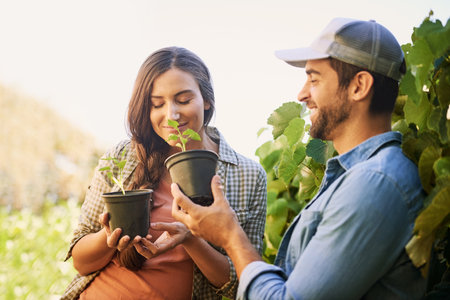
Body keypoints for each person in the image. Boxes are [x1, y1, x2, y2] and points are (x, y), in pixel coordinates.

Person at [172, 18, 426, 299]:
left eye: (314, 79)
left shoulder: (375, 184)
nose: (302, 94)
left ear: (359, 86)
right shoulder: (356, 176)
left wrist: (230, 235)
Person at [61, 46, 267, 300]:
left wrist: (190, 239)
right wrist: (110, 236)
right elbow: (81, 262)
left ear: (207, 99)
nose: (171, 115)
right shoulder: (121, 157)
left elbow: (242, 283)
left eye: (183, 100)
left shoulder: (247, 175)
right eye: (157, 104)